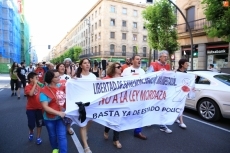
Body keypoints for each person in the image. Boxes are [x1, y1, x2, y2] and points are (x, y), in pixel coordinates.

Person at [40, 70, 67, 153]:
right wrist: (59, 113)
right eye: (56, 77)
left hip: (61, 117)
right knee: (52, 135)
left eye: (59, 76)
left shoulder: (62, 86)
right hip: (49, 118)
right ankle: (55, 148)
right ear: (50, 79)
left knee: (62, 136)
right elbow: (45, 107)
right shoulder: (44, 91)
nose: (59, 78)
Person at [121, 55, 147, 140]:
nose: (139, 61)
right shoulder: (126, 70)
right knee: (126, 112)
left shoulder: (142, 71)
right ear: (132, 61)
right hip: (128, 97)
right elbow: (121, 83)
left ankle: (138, 132)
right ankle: (122, 126)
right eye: (137, 59)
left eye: (140, 59)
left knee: (139, 113)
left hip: (139, 97)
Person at [76, 58, 96, 153]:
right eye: (85, 63)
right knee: (82, 124)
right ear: (81, 66)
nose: (87, 64)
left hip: (91, 103)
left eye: (88, 63)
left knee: (91, 120)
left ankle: (85, 132)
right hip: (81, 104)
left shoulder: (93, 76)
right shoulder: (77, 77)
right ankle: (86, 146)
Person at [150, 50, 172, 134]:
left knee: (163, 108)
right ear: (160, 57)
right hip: (154, 91)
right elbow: (149, 75)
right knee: (153, 106)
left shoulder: (167, 66)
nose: (166, 58)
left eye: (166, 56)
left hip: (164, 91)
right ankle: (150, 120)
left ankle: (162, 125)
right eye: (164, 56)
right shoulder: (154, 64)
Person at [103, 62, 122, 148]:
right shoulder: (107, 79)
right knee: (110, 120)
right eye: (118, 67)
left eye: (120, 66)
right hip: (110, 104)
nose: (120, 68)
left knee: (117, 121)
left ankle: (116, 140)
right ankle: (106, 130)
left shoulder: (124, 79)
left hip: (120, 104)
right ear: (113, 69)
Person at [25, 72, 43, 145]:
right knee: (31, 124)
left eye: (38, 78)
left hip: (39, 109)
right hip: (30, 109)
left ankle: (38, 137)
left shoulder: (39, 86)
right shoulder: (28, 87)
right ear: (31, 79)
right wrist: (35, 84)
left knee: (39, 124)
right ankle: (31, 131)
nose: (38, 79)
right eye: (36, 78)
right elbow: (31, 94)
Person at [56, 63, 73, 135]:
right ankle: (60, 129)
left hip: (67, 99)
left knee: (68, 114)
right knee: (59, 115)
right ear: (58, 68)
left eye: (63, 66)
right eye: (61, 66)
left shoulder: (67, 77)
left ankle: (68, 128)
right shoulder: (55, 77)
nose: (62, 67)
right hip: (58, 99)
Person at [175, 59, 189, 129]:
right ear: (182, 64)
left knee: (181, 107)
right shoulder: (176, 73)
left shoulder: (186, 73)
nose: (188, 65)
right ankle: (180, 121)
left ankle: (180, 121)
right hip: (177, 93)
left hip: (183, 93)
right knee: (178, 106)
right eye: (186, 63)